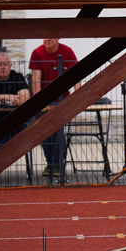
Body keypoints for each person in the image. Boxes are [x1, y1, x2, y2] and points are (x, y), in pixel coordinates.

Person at [29, 38, 79, 176]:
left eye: (51, 37)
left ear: (58, 38)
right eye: (45, 37)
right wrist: (40, 103)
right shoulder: (37, 53)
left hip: (63, 100)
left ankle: (57, 164)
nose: (47, 39)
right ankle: (51, 164)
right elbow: (36, 80)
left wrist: (78, 97)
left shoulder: (67, 52)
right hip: (45, 101)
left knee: (58, 131)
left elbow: (76, 75)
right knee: (44, 131)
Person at [0, 52, 30, 151]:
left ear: (10, 66)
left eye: (6, 64)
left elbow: (25, 98)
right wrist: (7, 97)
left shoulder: (17, 77)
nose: (3, 67)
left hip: (13, 123)